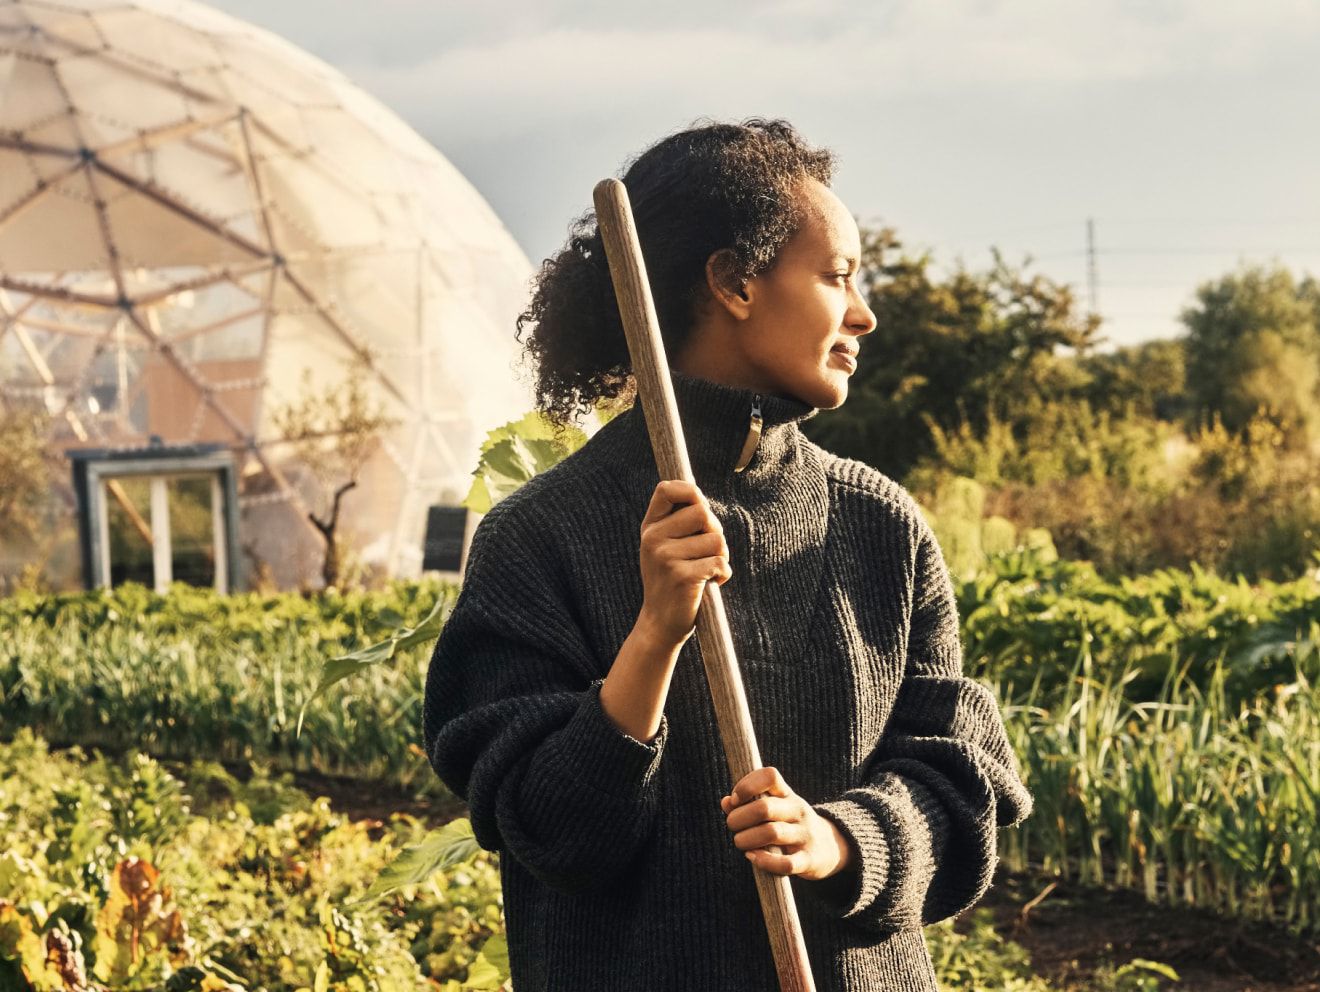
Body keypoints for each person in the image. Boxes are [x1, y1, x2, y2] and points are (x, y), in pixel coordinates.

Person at [423, 117, 1034, 991]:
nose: (864, 313)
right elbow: (550, 834)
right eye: (838, 276)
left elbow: (959, 786)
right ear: (734, 282)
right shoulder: (540, 536)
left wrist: (837, 841)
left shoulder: (881, 528)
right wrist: (653, 637)